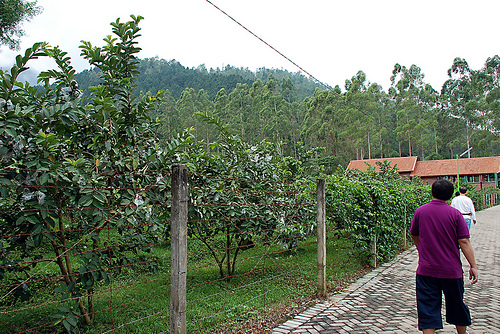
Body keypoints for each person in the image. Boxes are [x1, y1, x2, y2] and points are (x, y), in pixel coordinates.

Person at [410, 180, 479, 334]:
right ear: (450, 196)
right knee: (457, 305)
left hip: (426, 270)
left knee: (427, 309)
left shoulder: (420, 211)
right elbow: (464, 241)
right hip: (451, 270)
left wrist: (421, 249)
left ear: (432, 192)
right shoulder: (455, 214)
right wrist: (473, 265)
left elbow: (414, 233)